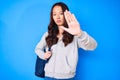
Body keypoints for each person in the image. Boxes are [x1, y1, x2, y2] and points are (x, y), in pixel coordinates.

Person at [35, 2, 97, 80]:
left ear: (66, 14)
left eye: (60, 13)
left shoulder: (75, 35)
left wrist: (80, 33)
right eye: (54, 14)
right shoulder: (48, 34)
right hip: (48, 76)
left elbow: (93, 46)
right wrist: (43, 55)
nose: (57, 17)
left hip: (66, 78)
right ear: (52, 17)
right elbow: (37, 49)